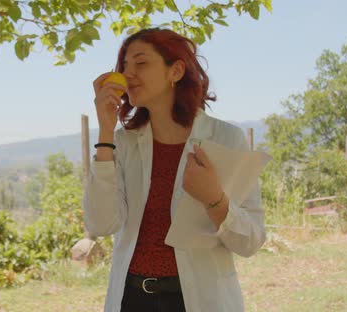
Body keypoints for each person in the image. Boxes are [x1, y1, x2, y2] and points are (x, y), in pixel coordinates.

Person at [83, 28, 266, 312]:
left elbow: (251, 241)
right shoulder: (121, 143)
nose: (128, 74)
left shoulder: (226, 139)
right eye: (124, 66)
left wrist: (214, 199)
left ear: (176, 71)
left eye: (141, 63)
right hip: (131, 299)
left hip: (200, 301)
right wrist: (106, 131)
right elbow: (100, 224)